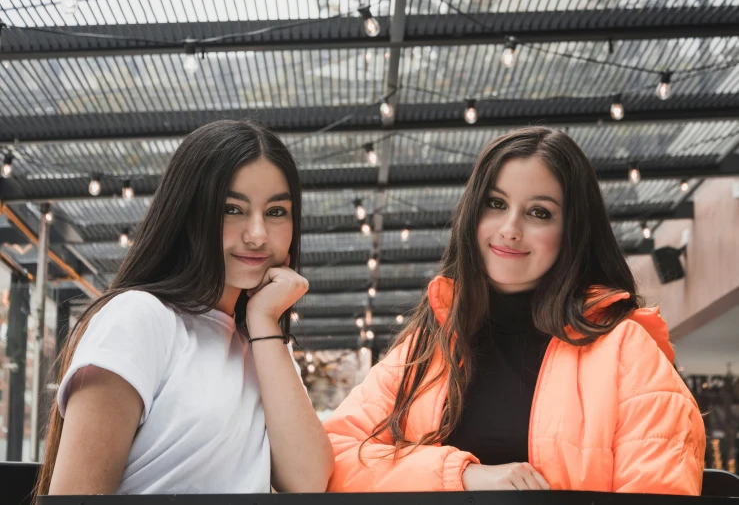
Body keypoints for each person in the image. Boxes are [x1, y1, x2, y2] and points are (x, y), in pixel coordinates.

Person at [324, 126, 705, 494]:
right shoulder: (427, 345)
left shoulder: (626, 351)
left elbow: (658, 491)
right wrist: (462, 476)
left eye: (539, 212)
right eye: (495, 203)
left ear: (573, 230)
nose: (510, 228)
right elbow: (330, 460)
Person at [36, 120, 333, 496]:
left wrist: (262, 321)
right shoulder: (139, 319)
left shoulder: (264, 344)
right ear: (188, 213)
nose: (257, 234)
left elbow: (308, 483)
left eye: (276, 212)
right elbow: (74, 499)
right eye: (231, 209)